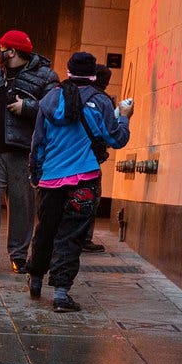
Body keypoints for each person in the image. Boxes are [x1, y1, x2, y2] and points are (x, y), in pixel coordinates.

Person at [27, 52, 133, 312]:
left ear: (69, 71)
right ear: (94, 75)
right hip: (84, 180)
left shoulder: (50, 99)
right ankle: (61, 294)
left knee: (46, 230)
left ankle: (36, 280)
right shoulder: (101, 102)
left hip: (51, 180)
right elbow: (117, 139)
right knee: (70, 236)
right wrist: (125, 116)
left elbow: (37, 142)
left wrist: (36, 174)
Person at [0, 30, 58, 275]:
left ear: (12, 52)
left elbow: (55, 107)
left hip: (23, 150)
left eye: (2, 48)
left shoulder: (45, 76)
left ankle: (18, 255)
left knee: (22, 205)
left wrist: (26, 107)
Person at [80, 64, 114, 253]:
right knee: (91, 198)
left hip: (68, 157)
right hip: (91, 158)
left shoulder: (69, 93)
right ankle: (84, 239)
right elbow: (113, 134)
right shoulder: (102, 100)